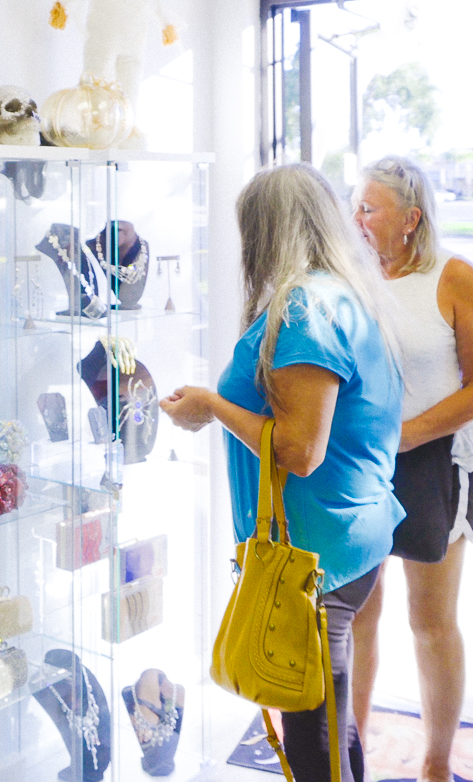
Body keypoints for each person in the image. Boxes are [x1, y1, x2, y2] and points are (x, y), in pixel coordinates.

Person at [161, 163, 404, 782]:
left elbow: (301, 450)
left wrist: (214, 408)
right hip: (348, 537)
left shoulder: (304, 310)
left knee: (314, 742)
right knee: (330, 724)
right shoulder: (346, 292)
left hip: (316, 556)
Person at [348, 155, 473, 782]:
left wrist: (407, 436)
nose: (356, 217)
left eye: (369, 208)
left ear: (411, 219)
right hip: (359, 462)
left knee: (429, 622)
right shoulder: (351, 278)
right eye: (356, 205)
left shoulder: (454, 278)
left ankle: (434, 764)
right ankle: (354, 755)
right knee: (357, 615)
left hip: (432, 460)